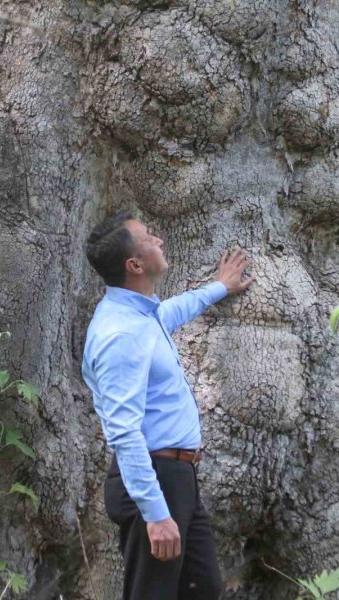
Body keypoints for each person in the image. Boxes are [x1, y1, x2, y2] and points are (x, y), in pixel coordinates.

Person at [82, 210, 254, 599]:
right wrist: (156, 515)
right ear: (135, 264)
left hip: (178, 477)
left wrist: (218, 288)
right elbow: (124, 432)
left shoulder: (140, 314)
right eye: (149, 238)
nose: (159, 240)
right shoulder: (120, 334)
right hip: (153, 480)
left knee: (203, 589)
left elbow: (169, 314)